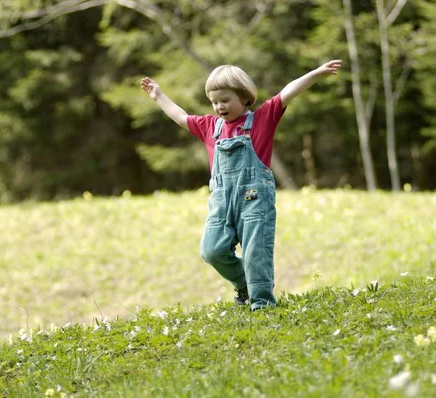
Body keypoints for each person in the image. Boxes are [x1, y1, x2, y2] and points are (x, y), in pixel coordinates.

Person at [141, 60, 342, 310]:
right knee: (211, 250)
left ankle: (262, 305)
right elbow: (181, 118)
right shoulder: (209, 127)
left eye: (225, 99)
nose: (219, 106)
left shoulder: (261, 121)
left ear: (245, 97)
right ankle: (245, 284)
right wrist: (159, 96)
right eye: (214, 101)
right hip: (221, 203)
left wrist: (315, 74)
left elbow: (287, 93)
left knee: (256, 255)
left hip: (254, 201)